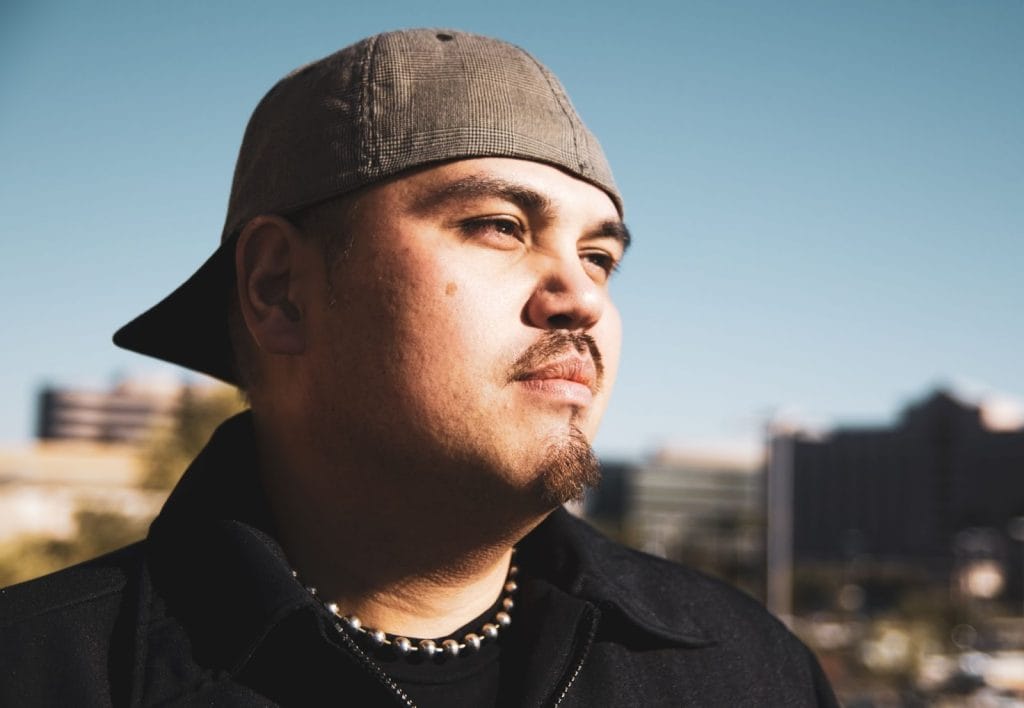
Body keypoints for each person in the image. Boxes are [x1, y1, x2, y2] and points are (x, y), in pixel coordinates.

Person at [0, 29, 837, 706]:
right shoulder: (41, 672)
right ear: (280, 291)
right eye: (501, 226)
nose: (581, 297)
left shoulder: (747, 670)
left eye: (599, 257)